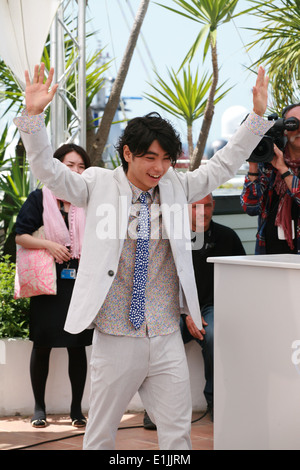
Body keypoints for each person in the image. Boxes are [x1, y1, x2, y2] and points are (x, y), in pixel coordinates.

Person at [14, 63, 271, 450]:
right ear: (128, 153)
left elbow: (222, 165)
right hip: (116, 333)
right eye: (151, 158)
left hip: (165, 331)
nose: (159, 168)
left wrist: (254, 119)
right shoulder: (98, 183)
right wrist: (33, 118)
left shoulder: (176, 184)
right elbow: (49, 172)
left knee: (177, 435)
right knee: (100, 436)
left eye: (167, 159)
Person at [15, 143, 93, 428]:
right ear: (57, 167)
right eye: (70, 165)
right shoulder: (40, 198)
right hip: (48, 282)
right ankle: (39, 408)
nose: (76, 171)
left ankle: (76, 410)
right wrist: (49, 244)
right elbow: (20, 236)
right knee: (43, 343)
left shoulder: (88, 201)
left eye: (81, 166)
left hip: (80, 281)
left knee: (77, 345)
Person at [181, 193, 245, 421]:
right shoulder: (172, 237)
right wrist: (187, 312)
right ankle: (156, 410)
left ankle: (214, 401)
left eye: (207, 206)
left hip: (213, 307)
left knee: (215, 336)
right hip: (177, 308)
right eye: (196, 207)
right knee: (157, 340)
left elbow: (241, 282)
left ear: (214, 206)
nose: (203, 212)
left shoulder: (227, 237)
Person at [241, 103, 300, 254]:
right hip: (269, 253)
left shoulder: (277, 164)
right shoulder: (268, 160)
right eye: (294, 123)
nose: (299, 129)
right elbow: (251, 207)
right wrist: (253, 162)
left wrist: (283, 169)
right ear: (285, 129)